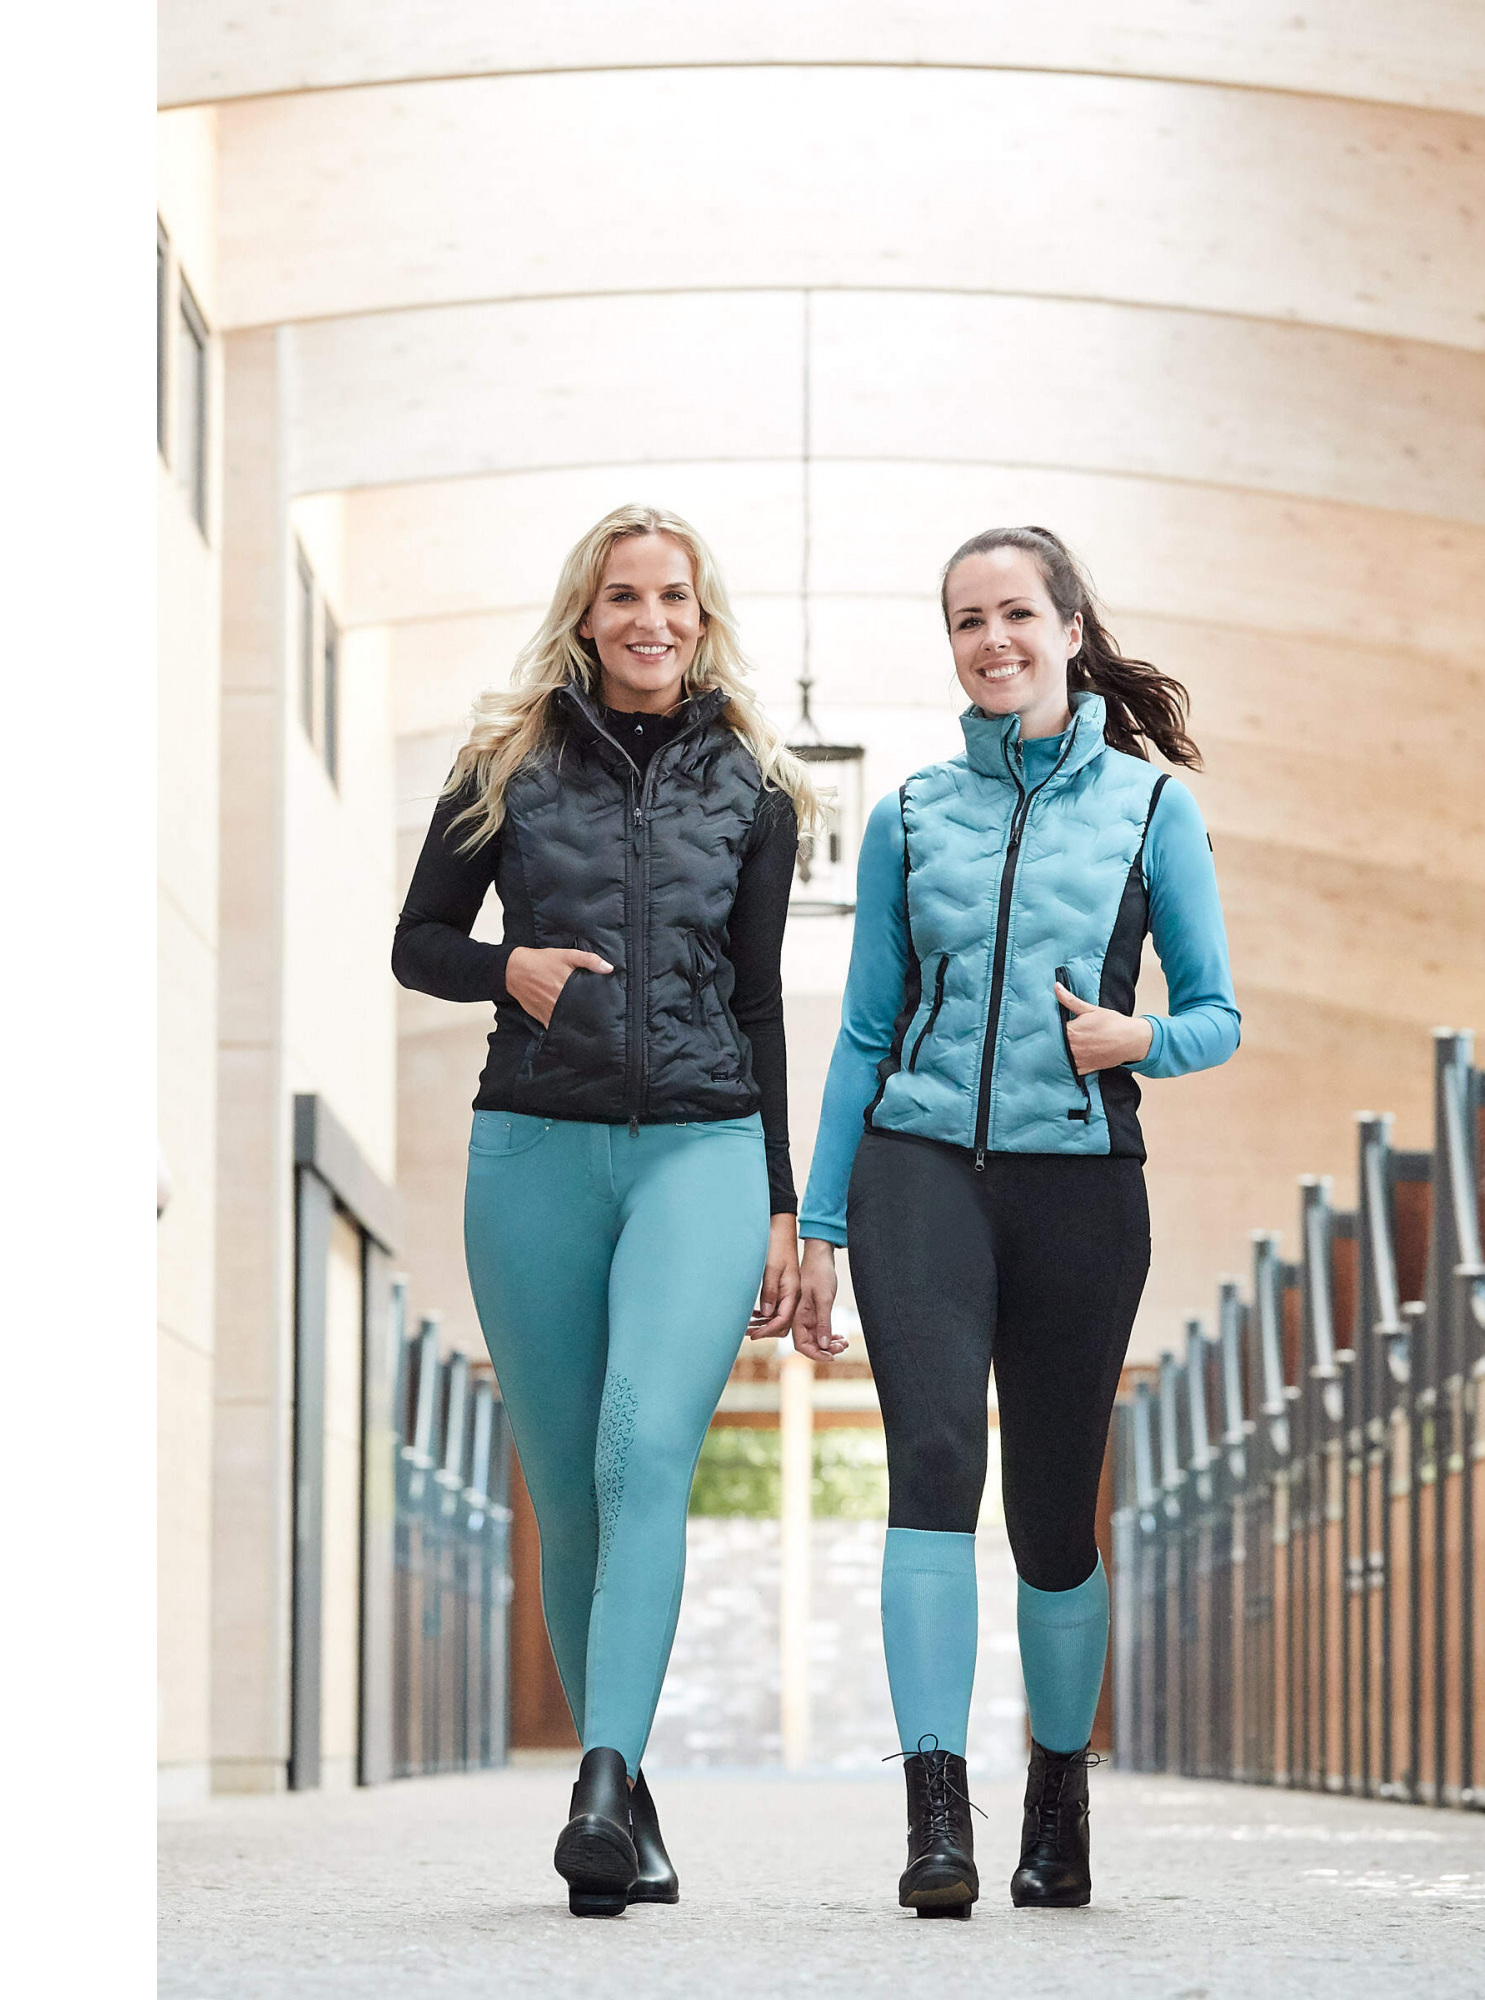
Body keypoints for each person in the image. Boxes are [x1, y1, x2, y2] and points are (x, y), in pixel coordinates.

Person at [793, 525, 1240, 1917]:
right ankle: (936, 1814)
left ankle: (1058, 1792)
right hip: (919, 1168)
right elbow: (864, 1034)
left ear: (1069, 628)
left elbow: (1219, 1015)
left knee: (1053, 1512)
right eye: (967, 622)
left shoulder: (1153, 811)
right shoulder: (910, 815)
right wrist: (820, 1226)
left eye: (1015, 615)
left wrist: (1136, 1040)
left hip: (1081, 1184)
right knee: (932, 1463)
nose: (993, 641)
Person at [393, 504, 814, 1917]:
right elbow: (417, 942)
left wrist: (780, 1203)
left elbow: (761, 1003)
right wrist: (502, 968)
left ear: (704, 617)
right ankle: (628, 1803)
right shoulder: (503, 765)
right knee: (567, 1488)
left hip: (701, 1148)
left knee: (645, 1449)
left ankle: (597, 1785)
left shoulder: (757, 787)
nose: (651, 620)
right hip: (532, 1151)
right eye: (625, 596)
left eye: (675, 598)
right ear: (586, 614)